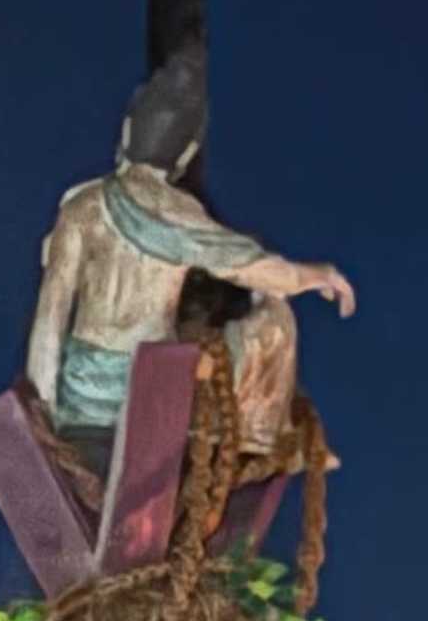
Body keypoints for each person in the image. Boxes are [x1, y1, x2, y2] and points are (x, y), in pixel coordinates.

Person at [21, 68, 353, 488]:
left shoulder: (81, 208)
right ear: (185, 153)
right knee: (274, 321)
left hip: (81, 403)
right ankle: (257, 446)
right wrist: (319, 275)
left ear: (126, 131)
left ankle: (246, 448)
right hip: (153, 402)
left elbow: (49, 320)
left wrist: (44, 415)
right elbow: (269, 275)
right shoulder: (179, 214)